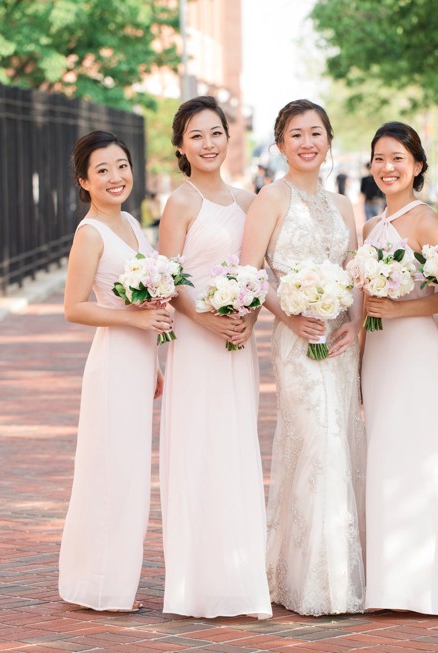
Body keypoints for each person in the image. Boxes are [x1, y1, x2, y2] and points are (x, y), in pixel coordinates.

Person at [239, 99, 366, 616]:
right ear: (280, 144)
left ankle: (332, 574)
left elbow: (356, 274)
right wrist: (289, 316)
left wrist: (356, 324)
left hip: (338, 342)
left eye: (316, 132)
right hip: (295, 338)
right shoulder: (270, 197)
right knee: (317, 441)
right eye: (296, 134)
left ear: (329, 140)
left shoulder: (343, 207)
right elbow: (252, 273)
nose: (307, 142)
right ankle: (315, 581)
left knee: (341, 439)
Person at [157, 96, 271, 619]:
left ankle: (238, 574)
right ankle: (195, 583)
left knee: (234, 445)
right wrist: (204, 317)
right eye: (196, 135)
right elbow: (167, 277)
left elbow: (257, 273)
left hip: (236, 342)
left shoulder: (249, 203)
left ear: (229, 138)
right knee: (197, 446)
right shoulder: (179, 203)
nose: (208, 143)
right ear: (181, 145)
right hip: (196, 340)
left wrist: (248, 318)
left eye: (216, 133)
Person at [58, 131, 172, 612]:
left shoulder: (129, 221)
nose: (115, 176)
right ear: (84, 180)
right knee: (111, 472)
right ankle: (102, 586)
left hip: (138, 358)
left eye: (121, 165)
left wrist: (156, 357)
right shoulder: (91, 234)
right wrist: (135, 319)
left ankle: (113, 578)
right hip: (112, 362)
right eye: (102, 170)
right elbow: (74, 307)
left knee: (128, 472)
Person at [360, 122, 438, 615]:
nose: (387, 167)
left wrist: (400, 310)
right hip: (377, 353)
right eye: (379, 158)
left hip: (413, 348)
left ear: (417, 165)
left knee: (412, 453)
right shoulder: (371, 224)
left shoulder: (425, 221)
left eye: (398, 158)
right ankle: (387, 581)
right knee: (383, 455)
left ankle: (419, 586)